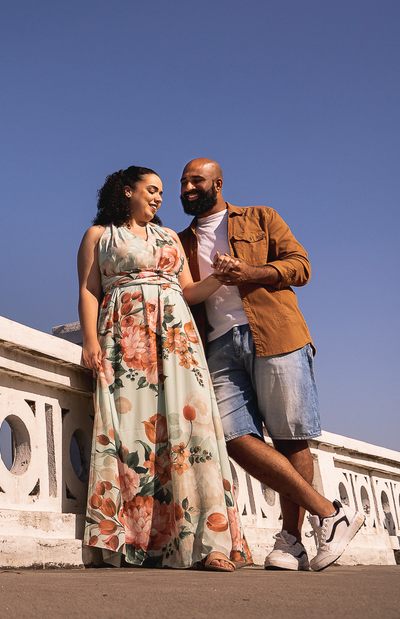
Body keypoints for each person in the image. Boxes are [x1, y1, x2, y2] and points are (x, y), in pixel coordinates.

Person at [178, 157, 364, 571]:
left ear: (218, 183)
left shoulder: (261, 218)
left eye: (196, 181)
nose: (187, 188)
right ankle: (330, 512)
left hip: (276, 332)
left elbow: (301, 266)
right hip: (217, 345)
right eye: (183, 182)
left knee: (290, 437)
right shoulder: (179, 240)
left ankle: (291, 542)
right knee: (231, 435)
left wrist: (250, 272)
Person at [77, 166, 251, 571]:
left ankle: (209, 544)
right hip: (125, 340)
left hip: (177, 341)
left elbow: (189, 291)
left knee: (192, 429)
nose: (159, 197)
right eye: (151, 190)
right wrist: (89, 341)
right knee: (132, 432)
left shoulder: (169, 237)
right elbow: (89, 290)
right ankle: (140, 540)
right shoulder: (99, 236)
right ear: (128, 191)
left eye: (160, 192)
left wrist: (220, 277)